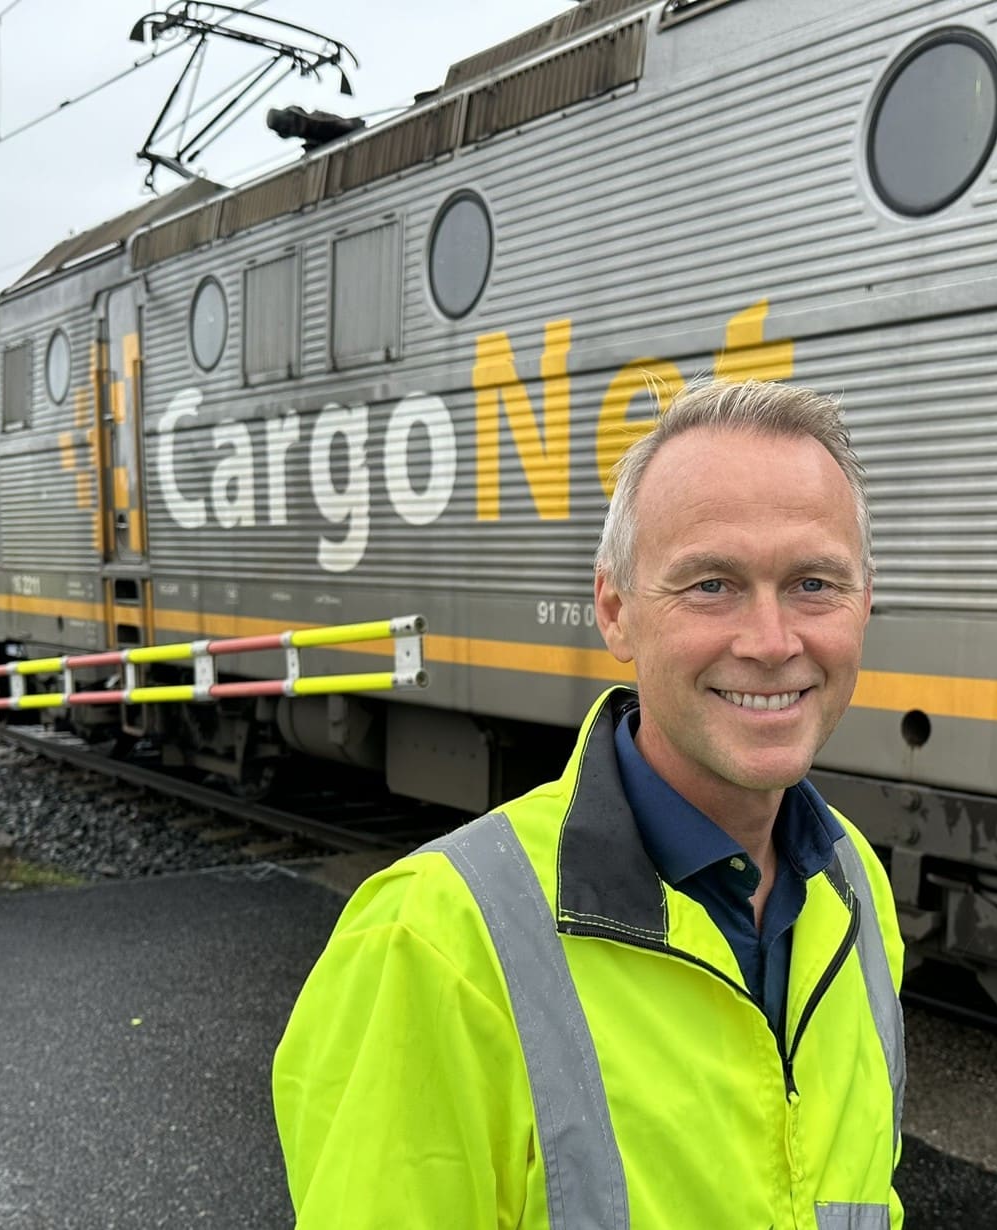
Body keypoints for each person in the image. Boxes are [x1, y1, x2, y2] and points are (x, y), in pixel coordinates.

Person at [273, 379, 905, 1229]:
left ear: (866, 601)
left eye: (814, 583)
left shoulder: (856, 889)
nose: (772, 642)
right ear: (615, 611)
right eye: (711, 585)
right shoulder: (431, 942)